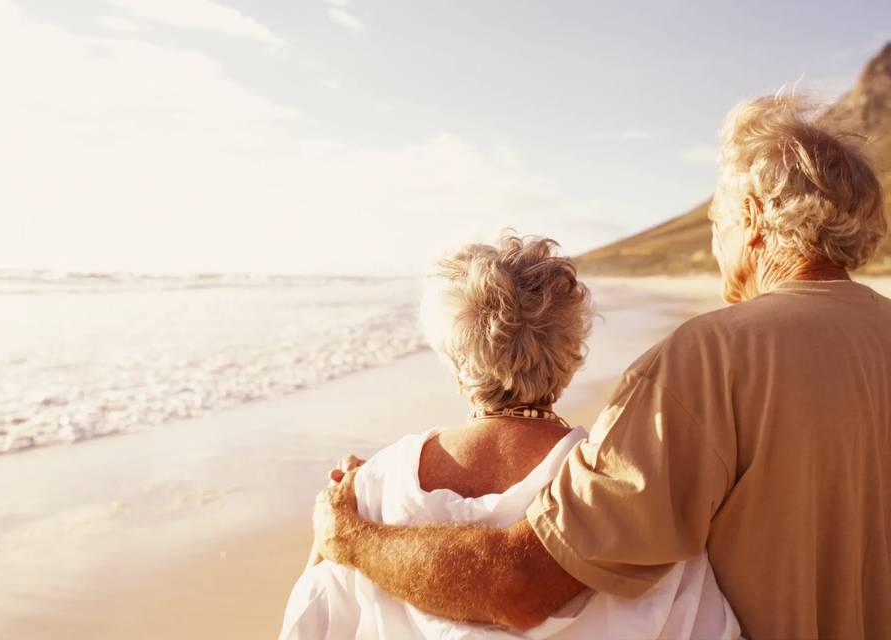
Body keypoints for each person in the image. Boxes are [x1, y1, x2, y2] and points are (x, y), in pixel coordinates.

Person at [312, 94, 891, 639]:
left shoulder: (711, 358)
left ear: (752, 214)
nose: (717, 243)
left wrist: (354, 539)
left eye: (716, 223)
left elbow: (524, 586)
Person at [282, 235, 740, 638]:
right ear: (569, 355)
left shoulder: (368, 491)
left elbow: (311, 621)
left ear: (454, 357)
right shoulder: (622, 491)